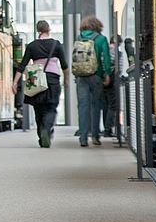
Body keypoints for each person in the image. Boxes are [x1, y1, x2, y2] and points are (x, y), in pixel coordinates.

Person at [12, 20, 68, 148]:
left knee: (38, 109)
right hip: (52, 80)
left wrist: (15, 82)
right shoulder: (56, 44)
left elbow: (22, 65)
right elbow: (65, 66)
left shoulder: (32, 46)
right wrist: (65, 81)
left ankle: (41, 133)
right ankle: (46, 131)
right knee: (51, 107)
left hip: (36, 80)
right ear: (49, 30)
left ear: (38, 31)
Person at [75, 16, 112, 147]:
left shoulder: (79, 38)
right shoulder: (101, 39)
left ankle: (83, 138)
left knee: (83, 107)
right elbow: (106, 58)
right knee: (96, 106)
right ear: (98, 26)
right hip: (96, 75)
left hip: (81, 76)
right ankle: (95, 136)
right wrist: (107, 73)